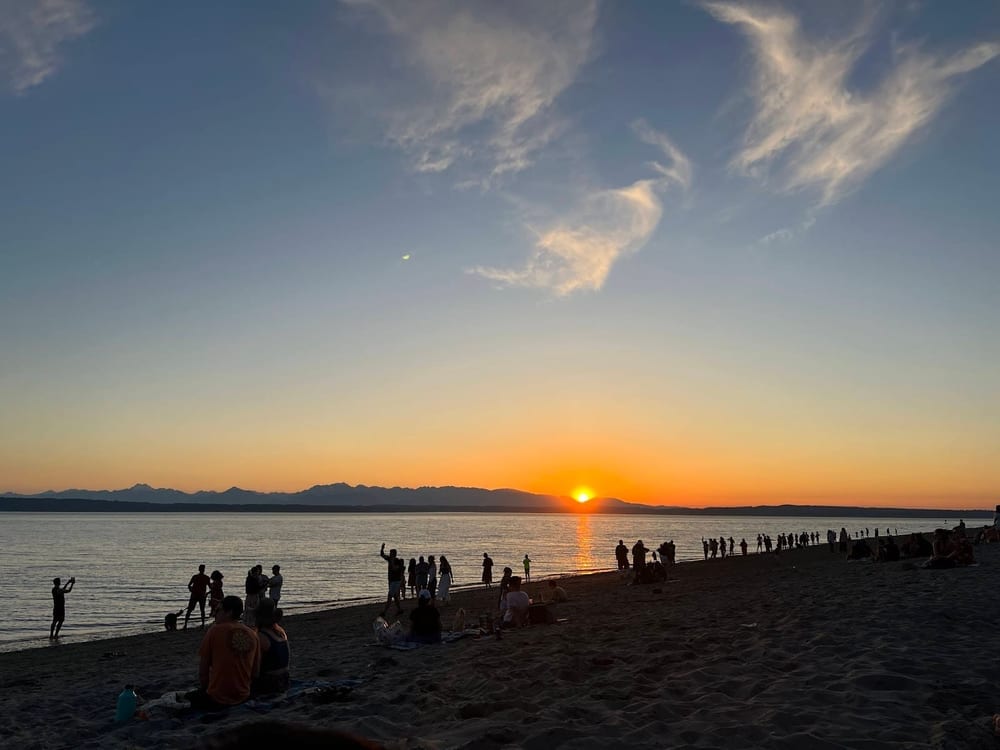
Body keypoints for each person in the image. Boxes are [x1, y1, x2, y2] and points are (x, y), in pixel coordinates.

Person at [188, 595, 260, 711]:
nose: (214, 613)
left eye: (218, 610)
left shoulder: (215, 631)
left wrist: (205, 689)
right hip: (243, 694)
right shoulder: (252, 634)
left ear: (229, 613)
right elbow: (255, 672)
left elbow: (203, 671)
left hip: (218, 697)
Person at [253, 599, 290, 695]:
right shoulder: (281, 632)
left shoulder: (261, 636)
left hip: (271, 682)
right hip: (285, 678)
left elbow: (256, 669)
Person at [379, 543, 404, 617]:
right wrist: (382, 548)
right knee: (395, 596)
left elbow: (395, 569)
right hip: (391, 581)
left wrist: (392, 562)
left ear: (394, 554)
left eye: (391, 553)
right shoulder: (390, 559)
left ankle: (384, 612)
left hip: (396, 581)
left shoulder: (397, 561)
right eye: (390, 553)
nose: (390, 554)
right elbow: (382, 555)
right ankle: (399, 609)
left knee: (390, 596)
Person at [185, 564, 212, 630]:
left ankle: (185, 624)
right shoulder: (206, 578)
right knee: (202, 610)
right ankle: (202, 624)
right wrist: (207, 593)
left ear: (199, 569)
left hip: (195, 595)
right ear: (204, 569)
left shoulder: (195, 577)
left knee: (190, 610)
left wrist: (191, 590)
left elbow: (189, 585)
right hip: (201, 595)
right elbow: (211, 588)